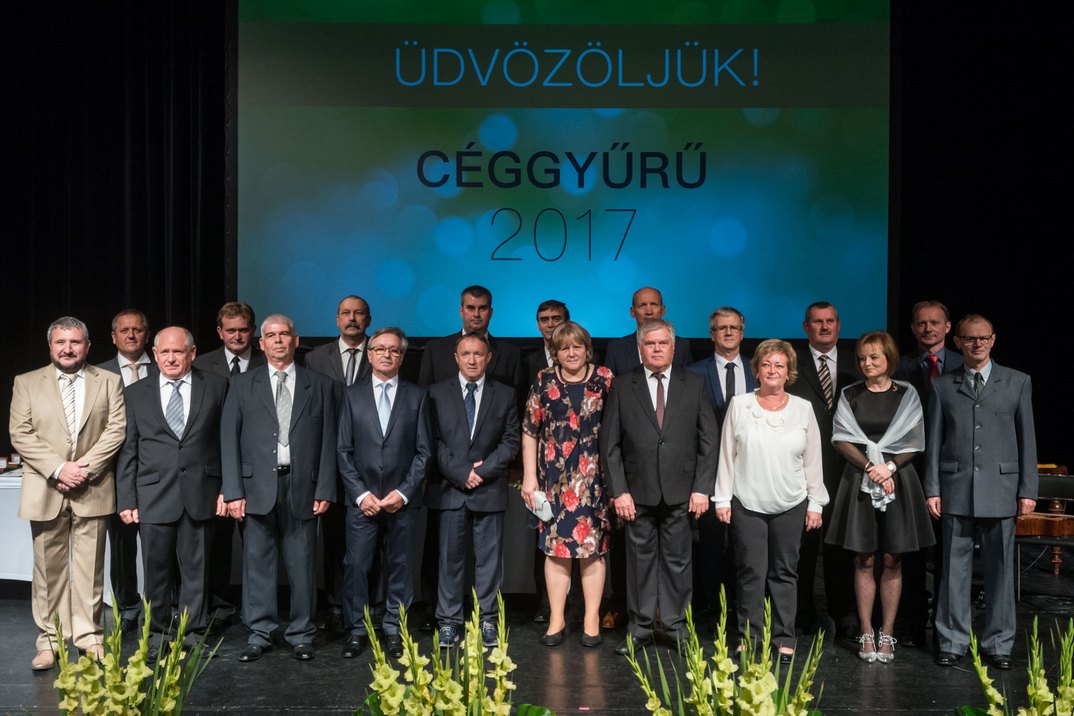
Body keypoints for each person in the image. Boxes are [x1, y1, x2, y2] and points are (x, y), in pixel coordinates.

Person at [221, 314, 341, 662]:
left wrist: (325, 488)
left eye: (284, 334)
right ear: (260, 343)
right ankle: (260, 632)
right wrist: (233, 491)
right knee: (257, 564)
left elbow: (330, 440)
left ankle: (301, 633)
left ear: (295, 340)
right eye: (270, 335)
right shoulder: (242, 384)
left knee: (302, 564)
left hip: (303, 486)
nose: (277, 340)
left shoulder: (320, 385)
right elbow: (228, 439)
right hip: (255, 487)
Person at [10, 317, 126, 670]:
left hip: (92, 486)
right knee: (49, 571)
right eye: (61, 342)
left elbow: (115, 430)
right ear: (50, 346)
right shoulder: (27, 383)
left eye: (75, 342)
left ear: (87, 346)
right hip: (46, 487)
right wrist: (59, 469)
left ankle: (89, 638)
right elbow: (21, 433)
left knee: (90, 570)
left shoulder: (109, 381)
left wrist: (81, 471)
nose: (68, 349)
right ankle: (51, 641)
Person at [600, 319, 717, 655]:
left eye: (662, 343)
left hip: (682, 491)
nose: (656, 349)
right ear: (640, 348)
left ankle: (676, 625)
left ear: (673, 347)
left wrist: (702, 488)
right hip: (636, 493)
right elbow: (610, 444)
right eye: (650, 343)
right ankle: (640, 627)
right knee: (639, 562)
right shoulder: (623, 385)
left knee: (678, 561)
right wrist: (619, 490)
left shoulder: (694, 383)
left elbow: (709, 440)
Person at [926, 315, 1037, 670]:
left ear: (993, 340)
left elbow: (1027, 439)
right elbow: (934, 441)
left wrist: (1027, 490)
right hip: (955, 487)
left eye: (983, 338)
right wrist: (932, 488)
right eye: (970, 338)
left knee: (1000, 571)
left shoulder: (1017, 382)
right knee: (952, 571)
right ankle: (952, 641)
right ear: (957, 341)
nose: (977, 344)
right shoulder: (943, 385)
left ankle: (999, 643)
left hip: (1002, 489)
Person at [115, 327, 229, 662]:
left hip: (202, 492)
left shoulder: (217, 386)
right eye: (164, 352)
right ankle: (157, 634)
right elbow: (128, 450)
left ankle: (191, 633)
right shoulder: (136, 393)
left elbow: (226, 442)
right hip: (153, 495)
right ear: (154, 354)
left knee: (197, 571)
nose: (171, 358)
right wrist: (126, 498)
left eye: (178, 352)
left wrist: (228, 489)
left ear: (192, 353)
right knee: (156, 573)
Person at [714, 339, 828, 663]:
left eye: (779, 365)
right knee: (751, 571)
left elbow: (813, 459)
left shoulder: (803, 408)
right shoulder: (740, 405)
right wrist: (722, 499)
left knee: (784, 572)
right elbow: (727, 454)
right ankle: (748, 638)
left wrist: (816, 503)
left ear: (789, 371)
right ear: (757, 370)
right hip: (746, 502)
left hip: (791, 503)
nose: (772, 370)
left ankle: (784, 637)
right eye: (766, 364)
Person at [417, 285, 522, 631]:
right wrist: (461, 472)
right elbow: (431, 439)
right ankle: (448, 619)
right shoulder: (436, 394)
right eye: (466, 354)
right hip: (450, 489)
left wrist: (484, 470)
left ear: (488, 358)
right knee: (449, 561)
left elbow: (511, 439)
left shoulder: (504, 394)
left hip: (489, 489)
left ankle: (488, 620)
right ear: (456, 357)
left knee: (489, 562)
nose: (473, 360)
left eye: (479, 354)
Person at [825, 331, 933, 663]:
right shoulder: (851, 393)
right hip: (859, 479)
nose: (867, 363)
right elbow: (841, 438)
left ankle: (887, 632)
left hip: (898, 480)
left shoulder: (906, 393)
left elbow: (915, 439)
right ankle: (866, 631)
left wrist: (889, 467)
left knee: (892, 559)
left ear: (889, 358)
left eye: (874, 357)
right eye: (862, 358)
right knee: (864, 559)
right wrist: (872, 467)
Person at [336, 327, 431, 660]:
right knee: (356, 566)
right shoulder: (351, 395)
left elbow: (424, 452)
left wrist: (403, 493)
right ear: (370, 354)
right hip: (362, 502)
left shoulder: (417, 396)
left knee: (400, 567)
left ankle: (394, 628)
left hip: (401, 502)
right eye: (380, 349)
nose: (387, 355)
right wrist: (360, 494)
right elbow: (343, 450)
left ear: (402, 357)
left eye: (394, 350)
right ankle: (357, 629)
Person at [521, 321, 613, 647]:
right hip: (554, 482)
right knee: (556, 550)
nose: (571, 353)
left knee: (592, 550)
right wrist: (529, 478)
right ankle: (557, 620)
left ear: (587, 349)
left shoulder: (605, 379)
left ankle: (591, 620)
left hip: (595, 481)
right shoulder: (544, 380)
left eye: (577, 347)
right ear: (555, 352)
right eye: (564, 348)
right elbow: (530, 430)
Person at [894, 300, 963, 648]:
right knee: (911, 552)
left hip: (954, 473)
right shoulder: (898, 366)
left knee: (949, 553)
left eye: (935, 322)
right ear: (912, 328)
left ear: (948, 327)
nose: (928, 329)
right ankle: (912, 621)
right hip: (909, 470)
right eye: (921, 323)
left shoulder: (965, 365)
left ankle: (945, 626)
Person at [193, 300, 265, 625]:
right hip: (215, 468)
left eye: (243, 330)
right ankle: (219, 607)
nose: (237, 336)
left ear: (253, 331)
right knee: (218, 543)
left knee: (259, 545)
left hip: (259, 467)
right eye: (231, 330)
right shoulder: (202, 365)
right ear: (220, 332)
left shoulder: (268, 361)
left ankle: (257, 610)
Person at [304, 295, 374, 633]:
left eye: (358, 313)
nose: (352, 319)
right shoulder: (315, 358)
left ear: (368, 320)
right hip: (329, 459)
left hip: (372, 461)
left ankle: (368, 605)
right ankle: (335, 604)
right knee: (333, 538)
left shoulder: (383, 352)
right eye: (346, 313)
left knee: (371, 540)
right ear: (336, 319)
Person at [787, 301, 857, 638]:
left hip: (847, 470)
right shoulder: (793, 366)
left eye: (830, 321)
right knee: (803, 546)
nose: (824, 327)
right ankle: (802, 613)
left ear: (839, 325)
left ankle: (843, 612)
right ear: (806, 327)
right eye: (817, 321)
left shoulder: (857, 363)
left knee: (841, 547)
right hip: (803, 471)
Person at [688, 307, 758, 617]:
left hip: (751, 472)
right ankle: (713, 608)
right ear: (711, 334)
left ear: (742, 333)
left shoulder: (759, 369)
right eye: (721, 328)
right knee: (711, 543)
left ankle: (743, 607)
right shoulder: (693, 372)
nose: (728, 332)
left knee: (746, 543)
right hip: (709, 472)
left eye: (733, 327)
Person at [96, 308, 157, 634]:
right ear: (113, 337)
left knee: (160, 546)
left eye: (137, 329)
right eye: (124, 330)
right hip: (115, 473)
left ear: (147, 335)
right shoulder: (98, 374)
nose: (131, 335)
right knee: (121, 548)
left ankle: (162, 608)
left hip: (158, 472)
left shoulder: (164, 365)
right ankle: (128, 607)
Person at [521, 298, 571, 624]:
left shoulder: (591, 364)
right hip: (542, 467)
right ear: (537, 324)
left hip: (581, 469)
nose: (550, 324)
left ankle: (577, 606)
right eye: (544, 319)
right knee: (543, 535)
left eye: (556, 318)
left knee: (581, 540)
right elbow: (523, 416)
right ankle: (546, 604)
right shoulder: (528, 363)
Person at [603, 287, 692, 375]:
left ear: (663, 310)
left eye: (653, 304)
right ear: (632, 312)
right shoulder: (616, 349)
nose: (649, 311)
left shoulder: (682, 347)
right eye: (642, 305)